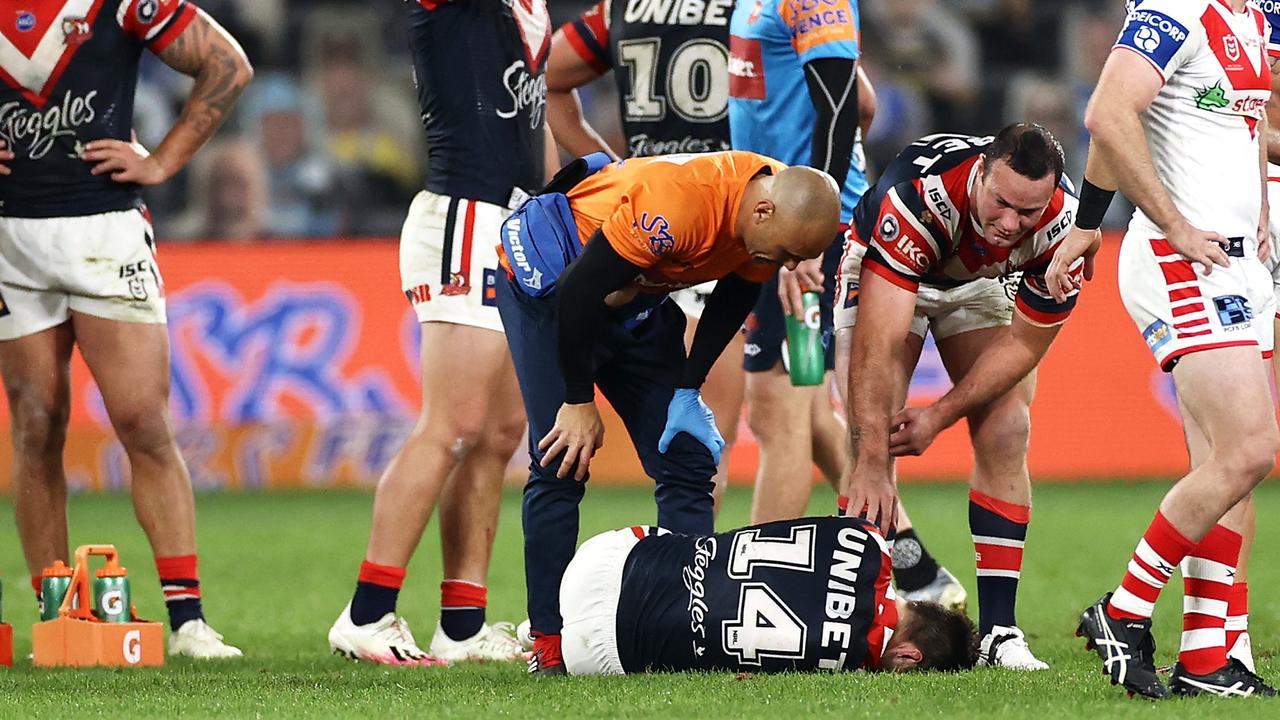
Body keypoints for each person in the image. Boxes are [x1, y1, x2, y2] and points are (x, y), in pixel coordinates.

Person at [497, 151, 840, 673]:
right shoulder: (677, 204)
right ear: (764, 213)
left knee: (688, 460)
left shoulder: (770, 212)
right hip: (555, 290)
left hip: (633, 299)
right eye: (789, 254)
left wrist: (688, 389)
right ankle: (550, 640)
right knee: (561, 460)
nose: (790, 267)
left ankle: (686, 630)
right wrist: (577, 399)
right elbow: (579, 293)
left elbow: (732, 297)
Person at [0, 0, 251, 658]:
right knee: (34, 421)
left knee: (142, 421)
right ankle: (58, 617)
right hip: (8, 235)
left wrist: (166, 159)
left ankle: (189, 620)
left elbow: (228, 63)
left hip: (105, 228)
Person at [1047, 0, 1278, 699]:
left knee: (1225, 467)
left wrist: (1261, 217)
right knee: (1249, 451)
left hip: (1236, 259)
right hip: (1186, 257)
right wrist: (1169, 225)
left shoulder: (1248, 17)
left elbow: (1247, 129)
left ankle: (1209, 658)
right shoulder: (1177, 4)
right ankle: (1122, 611)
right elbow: (1108, 114)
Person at [327, 0, 556, 666]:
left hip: (513, 222)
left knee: (499, 435)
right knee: (450, 425)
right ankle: (366, 615)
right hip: (464, 218)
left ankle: (462, 625)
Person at [838, 124, 1082, 671]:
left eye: (1028, 212)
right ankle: (859, 625)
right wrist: (875, 462)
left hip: (978, 281)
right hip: (890, 264)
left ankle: (999, 634)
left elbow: (1024, 343)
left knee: (1007, 427)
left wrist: (941, 417)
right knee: (872, 435)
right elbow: (877, 349)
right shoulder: (919, 197)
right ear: (981, 172)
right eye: (1001, 203)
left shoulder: (1065, 225)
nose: (1011, 223)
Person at [545, 0, 744, 511]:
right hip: (740, 224)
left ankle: (909, 556)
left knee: (789, 412)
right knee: (751, 424)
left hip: (650, 228)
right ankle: (697, 583)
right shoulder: (759, 7)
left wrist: (614, 173)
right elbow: (849, 99)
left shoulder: (625, 7)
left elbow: (546, 74)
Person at [558, 517, 978, 675]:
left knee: (691, 547)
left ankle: (540, 629)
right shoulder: (847, 663)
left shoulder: (867, 540)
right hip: (597, 657)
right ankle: (552, 637)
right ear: (908, 655)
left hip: (601, 558)